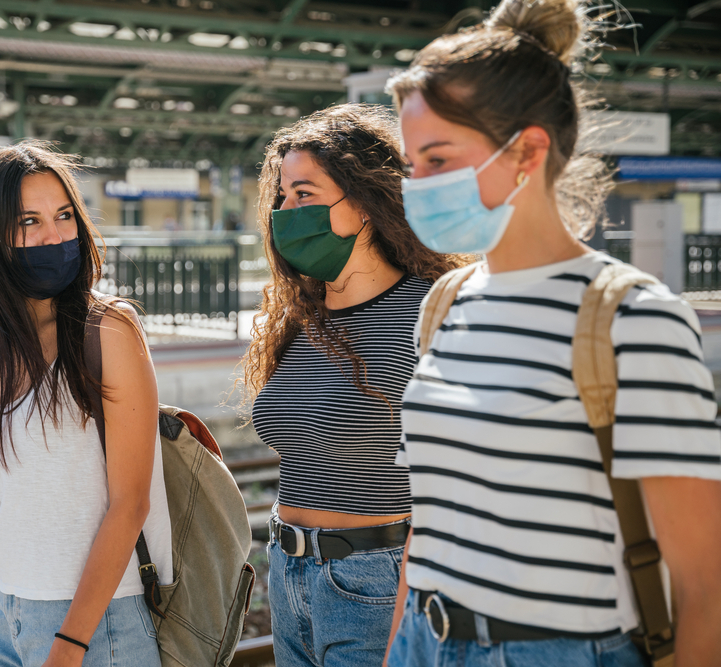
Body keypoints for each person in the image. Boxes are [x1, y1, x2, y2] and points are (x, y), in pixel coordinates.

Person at [383, 0, 721, 665]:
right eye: (410, 162)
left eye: (437, 158)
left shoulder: (634, 317)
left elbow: (705, 584)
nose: (414, 185)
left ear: (527, 151)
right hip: (430, 637)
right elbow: (431, 521)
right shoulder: (446, 304)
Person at [241, 104, 465, 666]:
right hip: (287, 570)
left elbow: (451, 490)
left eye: (305, 194)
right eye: (283, 197)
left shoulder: (429, 313)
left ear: (364, 203)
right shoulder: (299, 318)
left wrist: (407, 624)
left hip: (376, 581)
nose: (286, 211)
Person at [0, 141, 171, 667]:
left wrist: (70, 644)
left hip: (96, 626)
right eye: (28, 222)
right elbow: (2, 502)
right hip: (1, 617)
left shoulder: (109, 331)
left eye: (63, 216)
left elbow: (131, 504)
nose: (54, 236)